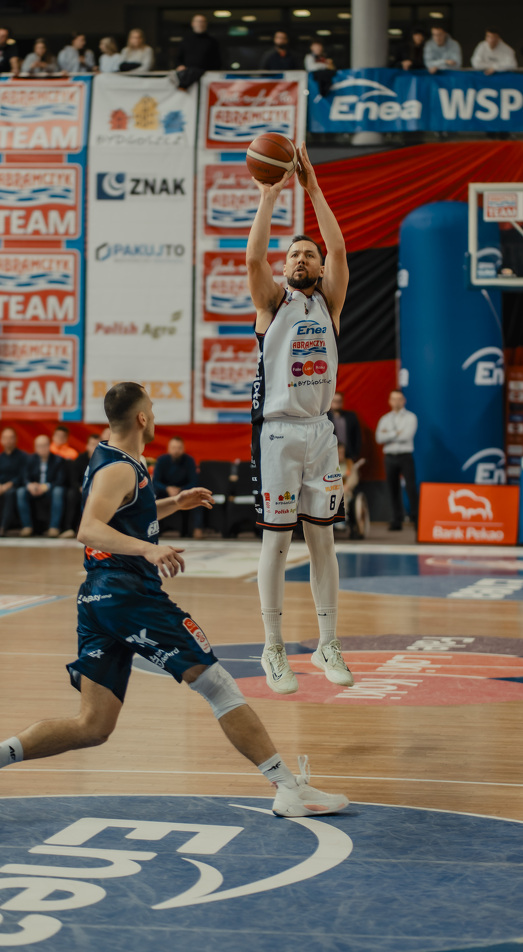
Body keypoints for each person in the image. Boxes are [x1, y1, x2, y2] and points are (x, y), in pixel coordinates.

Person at [0, 382, 349, 821]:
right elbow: (89, 528)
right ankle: (287, 787)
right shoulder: (118, 468)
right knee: (217, 685)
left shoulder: (120, 460)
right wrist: (149, 550)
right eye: (151, 410)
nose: (154, 416)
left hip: (100, 599)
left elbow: (124, 514)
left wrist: (173, 503)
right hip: (128, 594)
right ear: (141, 418)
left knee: (93, 725)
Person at [246, 142, 352, 697]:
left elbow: (338, 247)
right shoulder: (272, 303)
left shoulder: (329, 303)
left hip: (320, 433)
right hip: (278, 433)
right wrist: (269, 197)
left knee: (323, 542)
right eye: (294, 256)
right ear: (284, 267)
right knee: (277, 545)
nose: (302, 260)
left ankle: (328, 643)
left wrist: (312, 188)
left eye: (308, 255)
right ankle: (273, 647)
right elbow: (253, 260)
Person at [375, 389, 418, 532]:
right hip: (389, 457)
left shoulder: (410, 417)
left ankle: (416, 519)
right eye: (393, 399)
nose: (396, 402)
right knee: (392, 488)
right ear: (389, 401)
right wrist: (396, 433)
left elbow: (406, 436)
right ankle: (396, 520)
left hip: (405, 456)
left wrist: (388, 434)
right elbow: (379, 438)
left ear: (404, 401)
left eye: (399, 399)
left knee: (410, 487)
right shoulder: (385, 419)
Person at [17, 435, 67, 538]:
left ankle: (54, 527)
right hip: (34, 489)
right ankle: (27, 527)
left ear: (49, 446)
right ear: (35, 447)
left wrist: (45, 487)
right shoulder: (30, 460)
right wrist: (29, 485)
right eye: (39, 446)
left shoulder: (58, 460)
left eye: (44, 445)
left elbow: (60, 480)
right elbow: (24, 477)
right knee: (21, 492)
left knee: (58, 491)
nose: (42, 448)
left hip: (50, 489)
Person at [153, 437, 202, 539]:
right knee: (153, 496)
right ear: (168, 448)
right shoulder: (161, 460)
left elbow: (194, 481)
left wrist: (180, 490)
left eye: (179, 448)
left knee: (197, 498)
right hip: (164, 492)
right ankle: (152, 529)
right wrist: (167, 489)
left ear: (183, 449)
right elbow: (155, 481)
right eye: (173, 448)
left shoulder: (189, 460)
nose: (176, 451)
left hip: (184, 491)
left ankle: (197, 529)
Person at [60, 433, 101, 538]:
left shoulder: (104, 460)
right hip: (81, 489)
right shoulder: (80, 460)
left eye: (97, 445)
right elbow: (73, 479)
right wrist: (80, 488)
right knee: (72, 495)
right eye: (92, 444)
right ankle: (69, 528)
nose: (94, 448)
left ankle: (97, 529)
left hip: (99, 490)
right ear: (87, 446)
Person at [0, 427, 27, 535]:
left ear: (15, 439)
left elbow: (22, 476)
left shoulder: (23, 457)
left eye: (11, 438)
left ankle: (3, 527)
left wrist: (7, 486)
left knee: (10, 493)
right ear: (1, 440)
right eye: (5, 438)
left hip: (14, 486)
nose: (8, 441)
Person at [175, 14, 221, 88]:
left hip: (207, 77)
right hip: (187, 76)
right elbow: (178, 58)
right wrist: (180, 66)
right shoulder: (186, 40)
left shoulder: (212, 41)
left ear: (206, 24)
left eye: (202, 22)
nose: (200, 24)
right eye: (198, 21)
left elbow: (217, 60)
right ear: (193, 23)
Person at [327, 391, 361, 462]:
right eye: (335, 401)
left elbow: (357, 436)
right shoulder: (324, 418)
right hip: (330, 456)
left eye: (339, 401)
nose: (337, 403)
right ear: (330, 402)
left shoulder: (351, 416)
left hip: (349, 454)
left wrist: (355, 453)